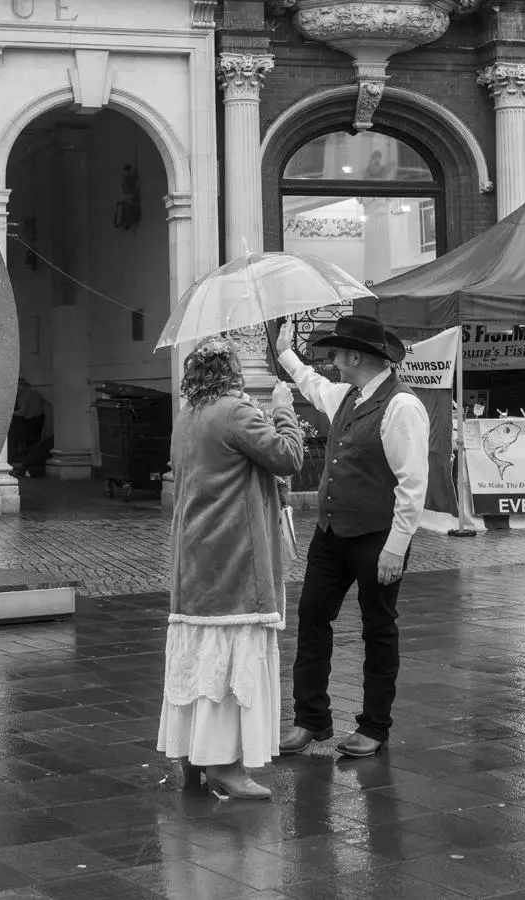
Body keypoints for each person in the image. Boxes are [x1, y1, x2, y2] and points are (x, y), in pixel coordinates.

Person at [277, 313, 430, 760]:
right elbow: (309, 382)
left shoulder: (402, 407)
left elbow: (412, 486)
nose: (332, 362)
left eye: (338, 354)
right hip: (331, 534)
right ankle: (310, 720)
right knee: (312, 616)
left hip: (376, 537)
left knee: (378, 629)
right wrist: (286, 352)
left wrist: (395, 549)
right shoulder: (348, 395)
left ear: (357, 356)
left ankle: (374, 727)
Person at [157, 336, 303, 801]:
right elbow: (288, 456)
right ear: (231, 372)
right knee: (231, 661)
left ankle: (193, 757)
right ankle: (227, 765)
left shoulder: (187, 417)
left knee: (200, 659)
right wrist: (282, 408)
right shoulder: (234, 413)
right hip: (234, 557)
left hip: (195, 556)